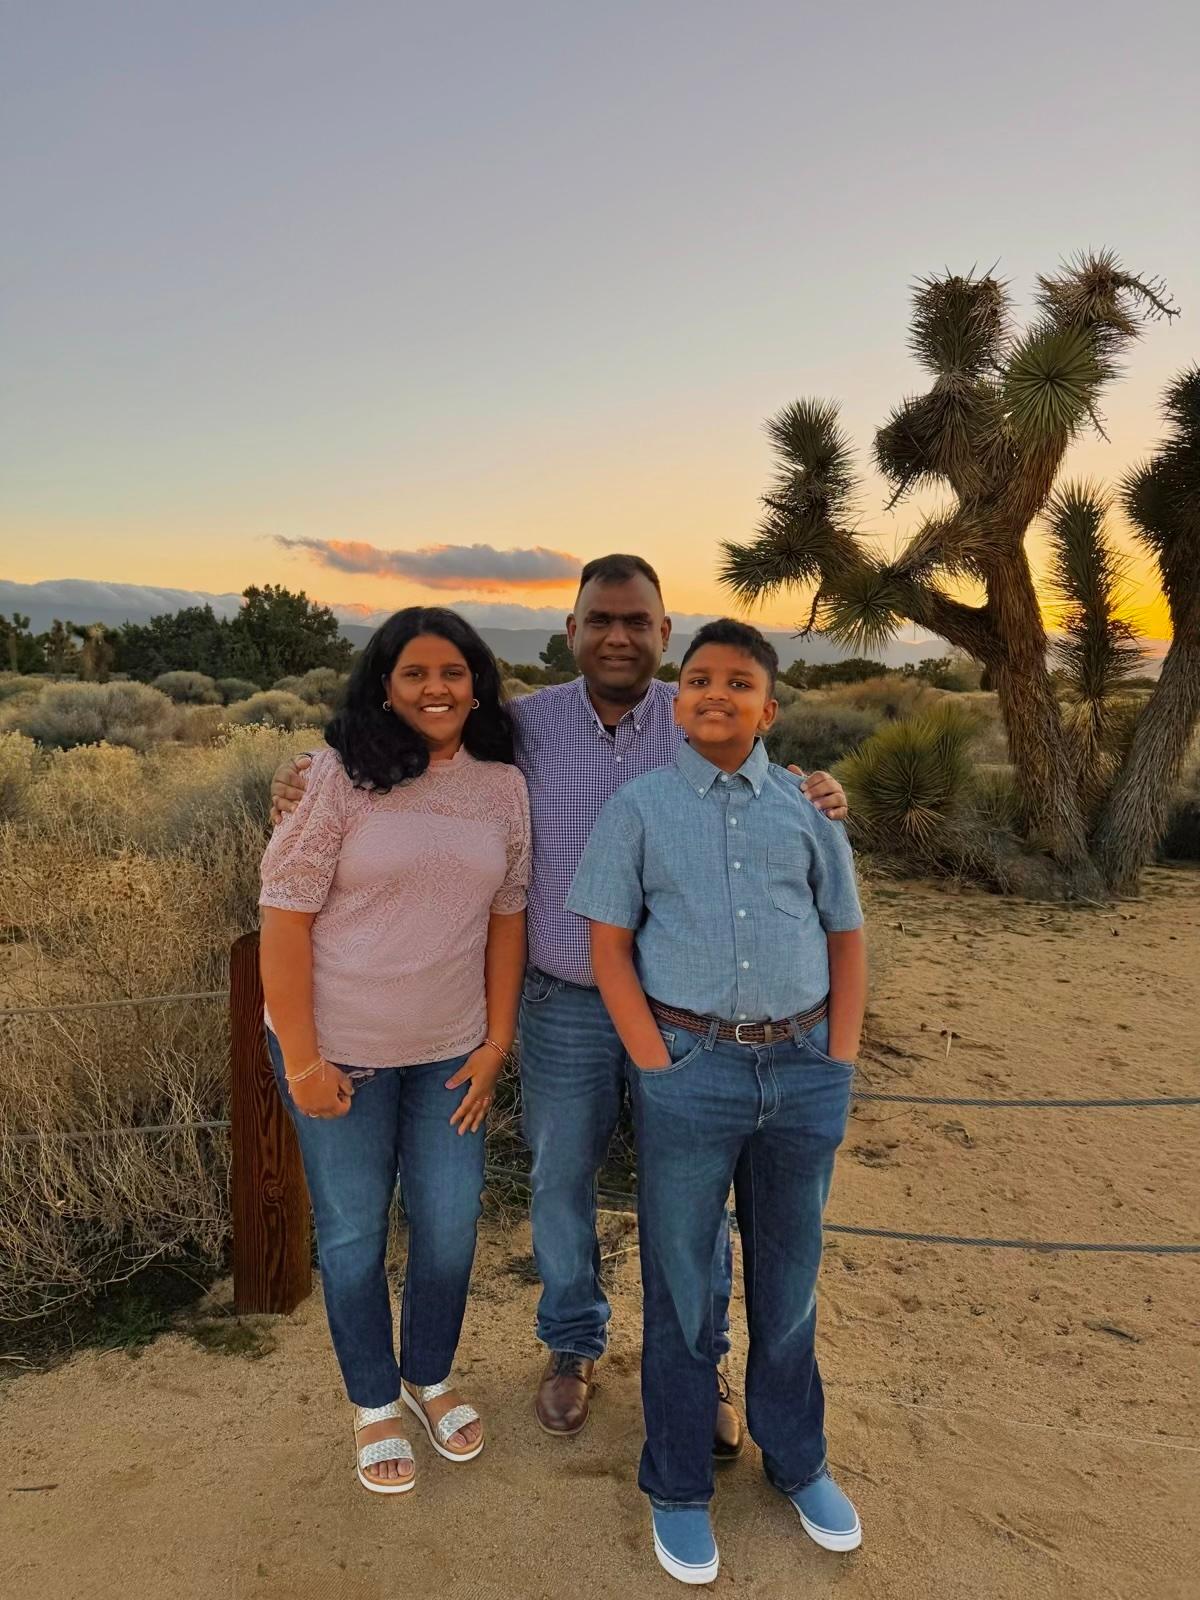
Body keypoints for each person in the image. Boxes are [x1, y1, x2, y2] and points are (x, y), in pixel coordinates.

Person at [270, 555, 847, 1453]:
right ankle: (572, 1347)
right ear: (571, 631)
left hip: (678, 1013)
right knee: (559, 1183)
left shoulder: (695, 717)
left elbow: (760, 781)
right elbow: (413, 758)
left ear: (664, 631)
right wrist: (308, 772)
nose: (618, 636)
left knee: (697, 1199)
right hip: (561, 1003)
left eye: (638, 621)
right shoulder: (523, 729)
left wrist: (817, 790)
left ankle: (706, 1367)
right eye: (600, 620)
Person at [566, 618, 867, 1585]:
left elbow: (845, 935)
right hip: (692, 1073)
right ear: (676, 699)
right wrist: (656, 1062)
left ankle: (799, 1461)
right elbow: (608, 945)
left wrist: (841, 1054)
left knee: (789, 1284)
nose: (715, 694)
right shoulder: (640, 806)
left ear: (768, 709)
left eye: (738, 682)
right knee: (684, 1290)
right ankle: (680, 1484)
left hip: (805, 1068)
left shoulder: (808, 809)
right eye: (697, 679)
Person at [259, 607, 530, 1495]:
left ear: (477, 683)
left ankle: (429, 1375)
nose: (436, 689)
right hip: (343, 1054)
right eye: (414, 673)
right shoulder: (336, 778)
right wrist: (302, 1060)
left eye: (453, 672)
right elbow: (284, 918)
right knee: (352, 1236)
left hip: (451, 1054)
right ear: (385, 684)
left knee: (450, 1230)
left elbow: (506, 919)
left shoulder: (502, 786)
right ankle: (375, 1401)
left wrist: (498, 1042)